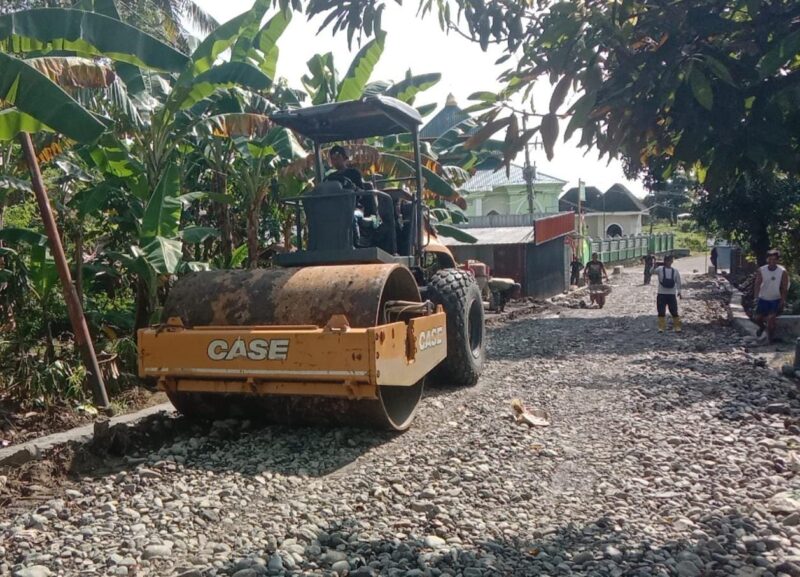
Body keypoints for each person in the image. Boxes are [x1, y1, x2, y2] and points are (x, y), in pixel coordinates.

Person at [753, 249, 790, 344]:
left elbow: (785, 287)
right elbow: (757, 283)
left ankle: (770, 340)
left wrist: (783, 300)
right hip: (763, 298)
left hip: (775, 299)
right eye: (770, 259)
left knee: (771, 319)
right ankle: (762, 327)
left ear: (777, 260)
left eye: (774, 259)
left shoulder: (782, 271)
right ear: (767, 259)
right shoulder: (762, 270)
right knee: (757, 318)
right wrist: (756, 297)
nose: (772, 262)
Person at [653, 254, 682, 333]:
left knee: (674, 311)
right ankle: (661, 327)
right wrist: (654, 266)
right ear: (665, 261)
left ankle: (677, 326)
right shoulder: (659, 269)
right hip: (661, 293)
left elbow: (678, 282)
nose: (669, 262)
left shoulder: (675, 271)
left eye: (670, 260)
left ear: (672, 261)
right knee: (661, 311)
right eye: (667, 260)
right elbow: (651, 272)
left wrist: (679, 291)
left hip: (671, 294)